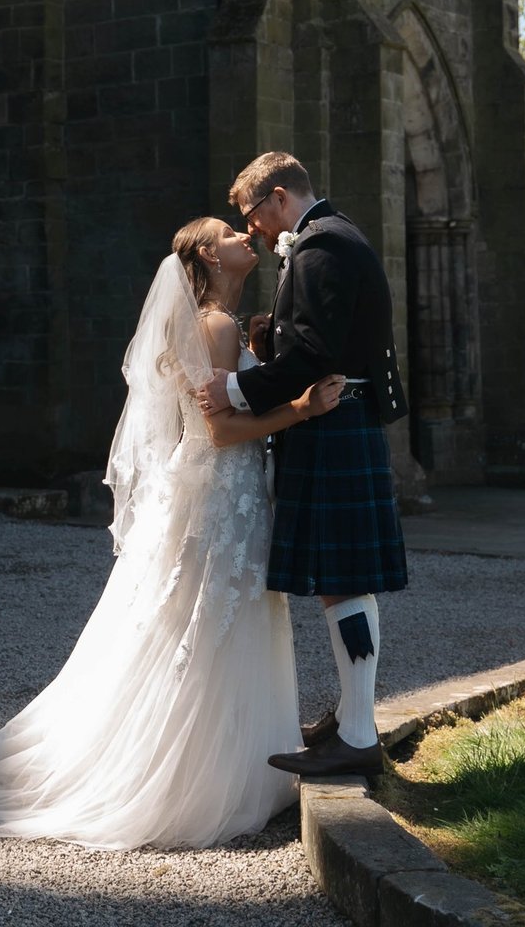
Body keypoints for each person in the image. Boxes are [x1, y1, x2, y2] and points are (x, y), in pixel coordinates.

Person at [0, 217, 344, 850]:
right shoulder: (213, 326)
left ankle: (226, 760)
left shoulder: (221, 325)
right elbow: (219, 434)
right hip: (218, 495)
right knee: (210, 623)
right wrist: (298, 410)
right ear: (210, 257)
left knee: (207, 623)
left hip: (221, 495)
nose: (247, 237)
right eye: (230, 234)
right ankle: (196, 776)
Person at [199, 153, 408, 779]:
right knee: (342, 578)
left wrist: (235, 390)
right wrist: (273, 343)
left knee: (343, 578)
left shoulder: (319, 247)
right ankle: (351, 717)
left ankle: (360, 733)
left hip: (334, 419)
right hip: (341, 419)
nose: (256, 229)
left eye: (254, 214)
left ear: (280, 196)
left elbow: (315, 353)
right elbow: (323, 339)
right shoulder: (332, 238)